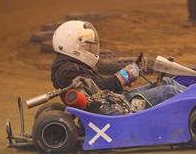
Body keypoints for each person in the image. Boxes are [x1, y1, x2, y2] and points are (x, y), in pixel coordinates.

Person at [51, 20, 186, 112]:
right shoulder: (67, 71)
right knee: (169, 91)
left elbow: (101, 74)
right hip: (116, 109)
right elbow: (99, 89)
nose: (91, 50)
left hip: (116, 100)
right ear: (72, 46)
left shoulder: (72, 65)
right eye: (87, 46)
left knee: (166, 82)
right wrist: (125, 76)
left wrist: (133, 68)